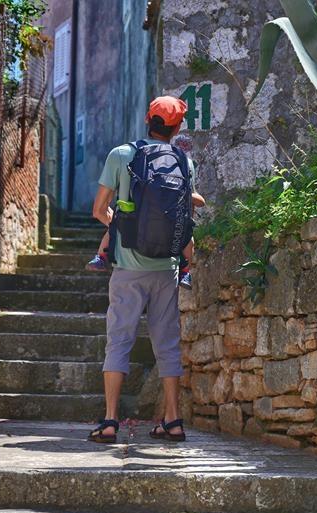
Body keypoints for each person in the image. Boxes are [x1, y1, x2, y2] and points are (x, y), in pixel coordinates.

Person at [88, 95, 196, 444]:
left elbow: (99, 209)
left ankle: (110, 421)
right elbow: (185, 217)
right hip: (167, 268)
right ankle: (173, 420)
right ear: (177, 128)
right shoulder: (184, 162)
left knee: (119, 341)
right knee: (167, 344)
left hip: (128, 268)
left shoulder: (122, 155)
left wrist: (121, 228)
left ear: (148, 120)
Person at [85, 194, 205, 290]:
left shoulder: (179, 180)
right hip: (143, 220)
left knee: (188, 237)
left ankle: (185, 272)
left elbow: (201, 202)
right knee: (115, 225)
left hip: (169, 223)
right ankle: (101, 256)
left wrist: (182, 193)